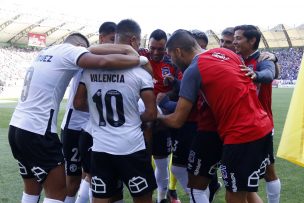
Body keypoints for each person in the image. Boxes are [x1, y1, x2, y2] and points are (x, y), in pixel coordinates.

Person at [8, 32, 147, 203]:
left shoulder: (46, 52)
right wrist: (141, 60)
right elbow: (103, 61)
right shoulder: (70, 52)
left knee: (31, 190)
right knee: (58, 194)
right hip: (38, 130)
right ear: (80, 48)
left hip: (16, 128)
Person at [158, 29, 273, 203]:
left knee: (233, 195)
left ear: (178, 51)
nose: (172, 62)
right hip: (260, 127)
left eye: (171, 56)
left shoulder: (193, 69)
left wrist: (154, 116)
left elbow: (176, 120)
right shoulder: (227, 53)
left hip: (240, 134)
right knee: (245, 191)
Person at [74, 19, 157, 203]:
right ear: (134, 41)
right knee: (143, 198)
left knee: (102, 198)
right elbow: (152, 113)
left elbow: (78, 103)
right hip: (131, 147)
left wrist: (98, 112)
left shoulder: (89, 70)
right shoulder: (141, 71)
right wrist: (132, 117)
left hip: (101, 147)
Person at [233, 24, 281, 203]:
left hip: (263, 125)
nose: (235, 42)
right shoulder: (236, 59)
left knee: (269, 172)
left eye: (238, 38)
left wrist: (255, 74)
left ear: (252, 40)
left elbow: (269, 74)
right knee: (241, 173)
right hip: (241, 126)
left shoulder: (264, 58)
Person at [72, 21, 117, 203]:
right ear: (101, 38)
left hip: (91, 128)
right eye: (112, 39)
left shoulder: (95, 61)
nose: (114, 45)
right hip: (83, 128)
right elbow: (78, 102)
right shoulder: (88, 58)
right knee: (89, 179)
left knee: (88, 176)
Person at [139, 29, 180, 203]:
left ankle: (161, 198)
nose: (155, 52)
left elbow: (181, 87)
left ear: (167, 47)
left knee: (162, 162)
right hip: (140, 117)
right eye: (152, 48)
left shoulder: (173, 62)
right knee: (140, 162)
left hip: (162, 122)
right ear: (148, 45)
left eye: (160, 49)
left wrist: (168, 94)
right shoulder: (139, 56)